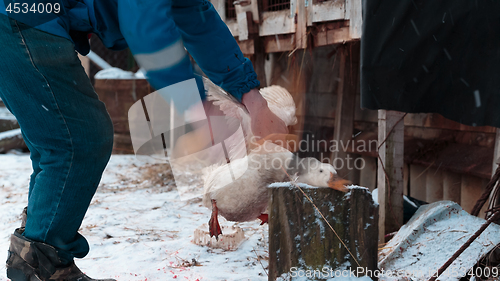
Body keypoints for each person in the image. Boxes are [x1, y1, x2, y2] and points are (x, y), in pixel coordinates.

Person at [0, 0, 287, 280]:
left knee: (59, 137)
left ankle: (41, 254)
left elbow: (197, 18)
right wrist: (195, 107)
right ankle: (40, 267)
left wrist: (252, 97)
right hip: (22, 12)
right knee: (77, 138)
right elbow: (146, 26)